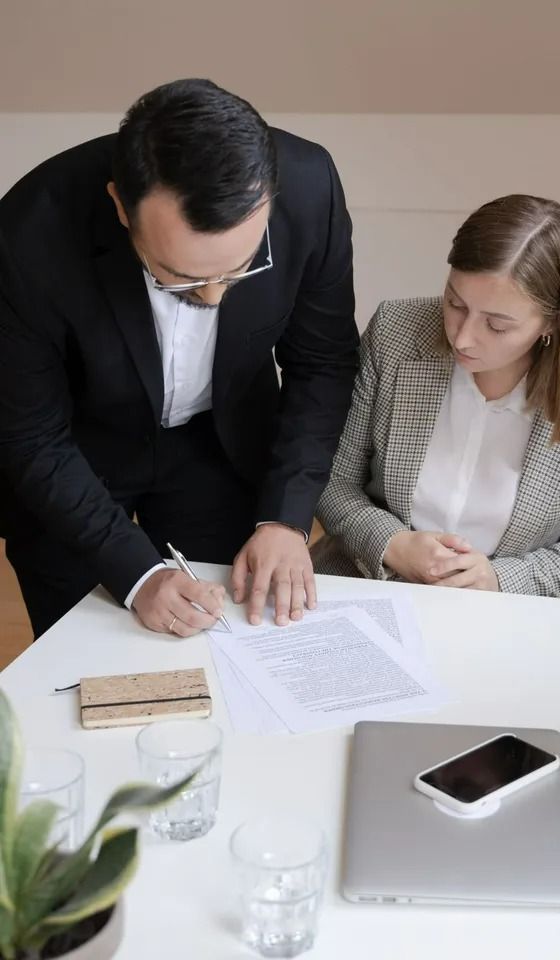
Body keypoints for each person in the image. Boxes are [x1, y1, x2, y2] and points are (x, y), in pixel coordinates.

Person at [0, 78, 359, 639]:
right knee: (80, 657)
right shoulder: (27, 233)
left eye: (237, 270)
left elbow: (323, 363)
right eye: (183, 279)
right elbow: (30, 435)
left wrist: (286, 518)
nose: (214, 297)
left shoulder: (311, 189)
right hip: (74, 456)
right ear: (122, 206)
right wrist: (139, 576)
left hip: (222, 444)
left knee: (226, 639)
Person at [313, 194, 560, 597]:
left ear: (553, 321)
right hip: (359, 582)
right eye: (455, 303)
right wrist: (392, 544)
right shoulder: (394, 332)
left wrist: (498, 580)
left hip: (503, 613)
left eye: (497, 325)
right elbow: (332, 476)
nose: (463, 337)